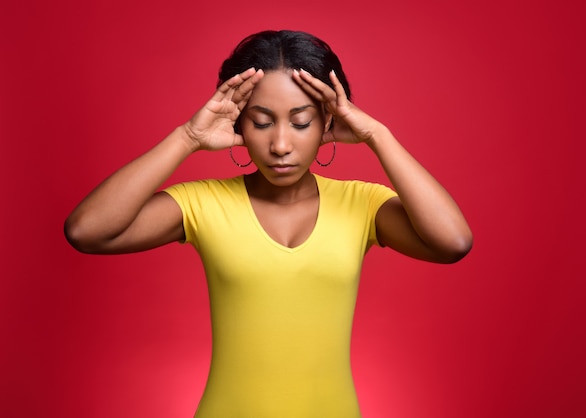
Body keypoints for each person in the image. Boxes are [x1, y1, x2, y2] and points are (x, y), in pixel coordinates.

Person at [65, 29, 473, 418]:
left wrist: (377, 134)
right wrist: (188, 136)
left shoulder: (362, 204)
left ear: (327, 122)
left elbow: (452, 241)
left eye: (300, 123)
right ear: (239, 122)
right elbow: (87, 231)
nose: (280, 145)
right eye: (261, 122)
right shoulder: (204, 202)